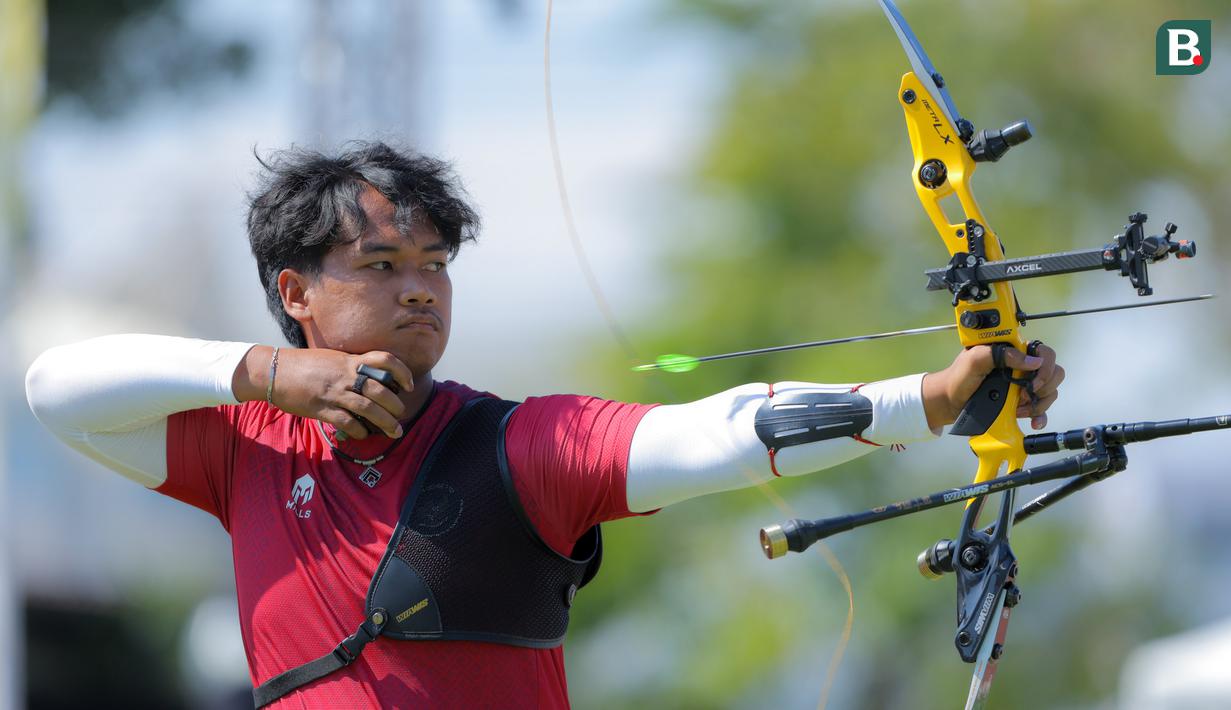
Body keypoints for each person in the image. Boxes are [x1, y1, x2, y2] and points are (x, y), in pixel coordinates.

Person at [24, 142, 1064, 708]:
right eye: (381, 265)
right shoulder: (246, 450)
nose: (420, 288)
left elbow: (712, 432)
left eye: (435, 264)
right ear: (295, 293)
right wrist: (265, 374)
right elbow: (54, 388)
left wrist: (933, 397)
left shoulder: (518, 447)